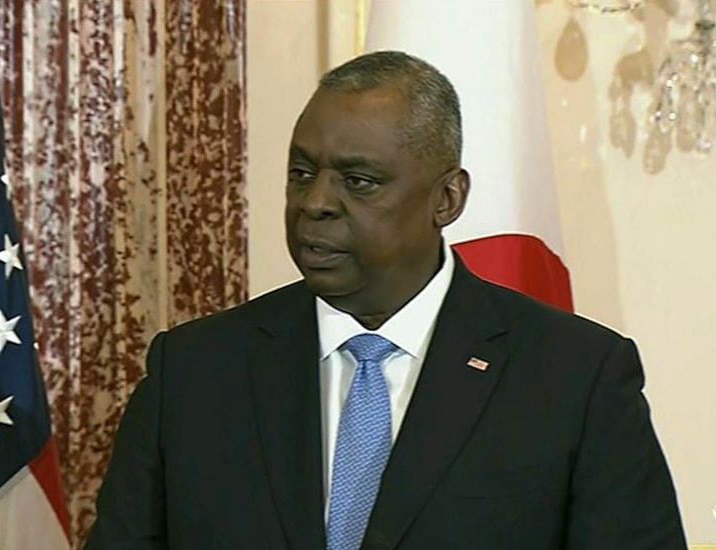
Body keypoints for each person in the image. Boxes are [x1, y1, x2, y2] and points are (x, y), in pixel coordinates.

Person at [85, 51, 686, 549]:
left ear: (447, 199)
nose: (315, 203)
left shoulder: (576, 378)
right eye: (301, 172)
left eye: (358, 180)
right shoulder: (191, 372)